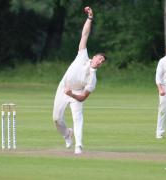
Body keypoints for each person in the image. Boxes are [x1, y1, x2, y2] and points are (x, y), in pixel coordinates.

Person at [52, 7, 106, 154]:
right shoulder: (83, 55)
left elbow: (82, 98)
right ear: (94, 57)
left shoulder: (93, 79)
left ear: (100, 65)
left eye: (102, 61)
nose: (100, 61)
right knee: (56, 118)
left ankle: (79, 146)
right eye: (99, 58)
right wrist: (90, 18)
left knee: (78, 117)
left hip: (76, 93)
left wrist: (72, 95)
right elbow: (85, 34)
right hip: (64, 87)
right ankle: (67, 135)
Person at [155, 40, 166, 139]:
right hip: (165, 89)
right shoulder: (163, 61)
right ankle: (159, 133)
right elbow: (158, 76)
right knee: (162, 112)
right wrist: (160, 89)